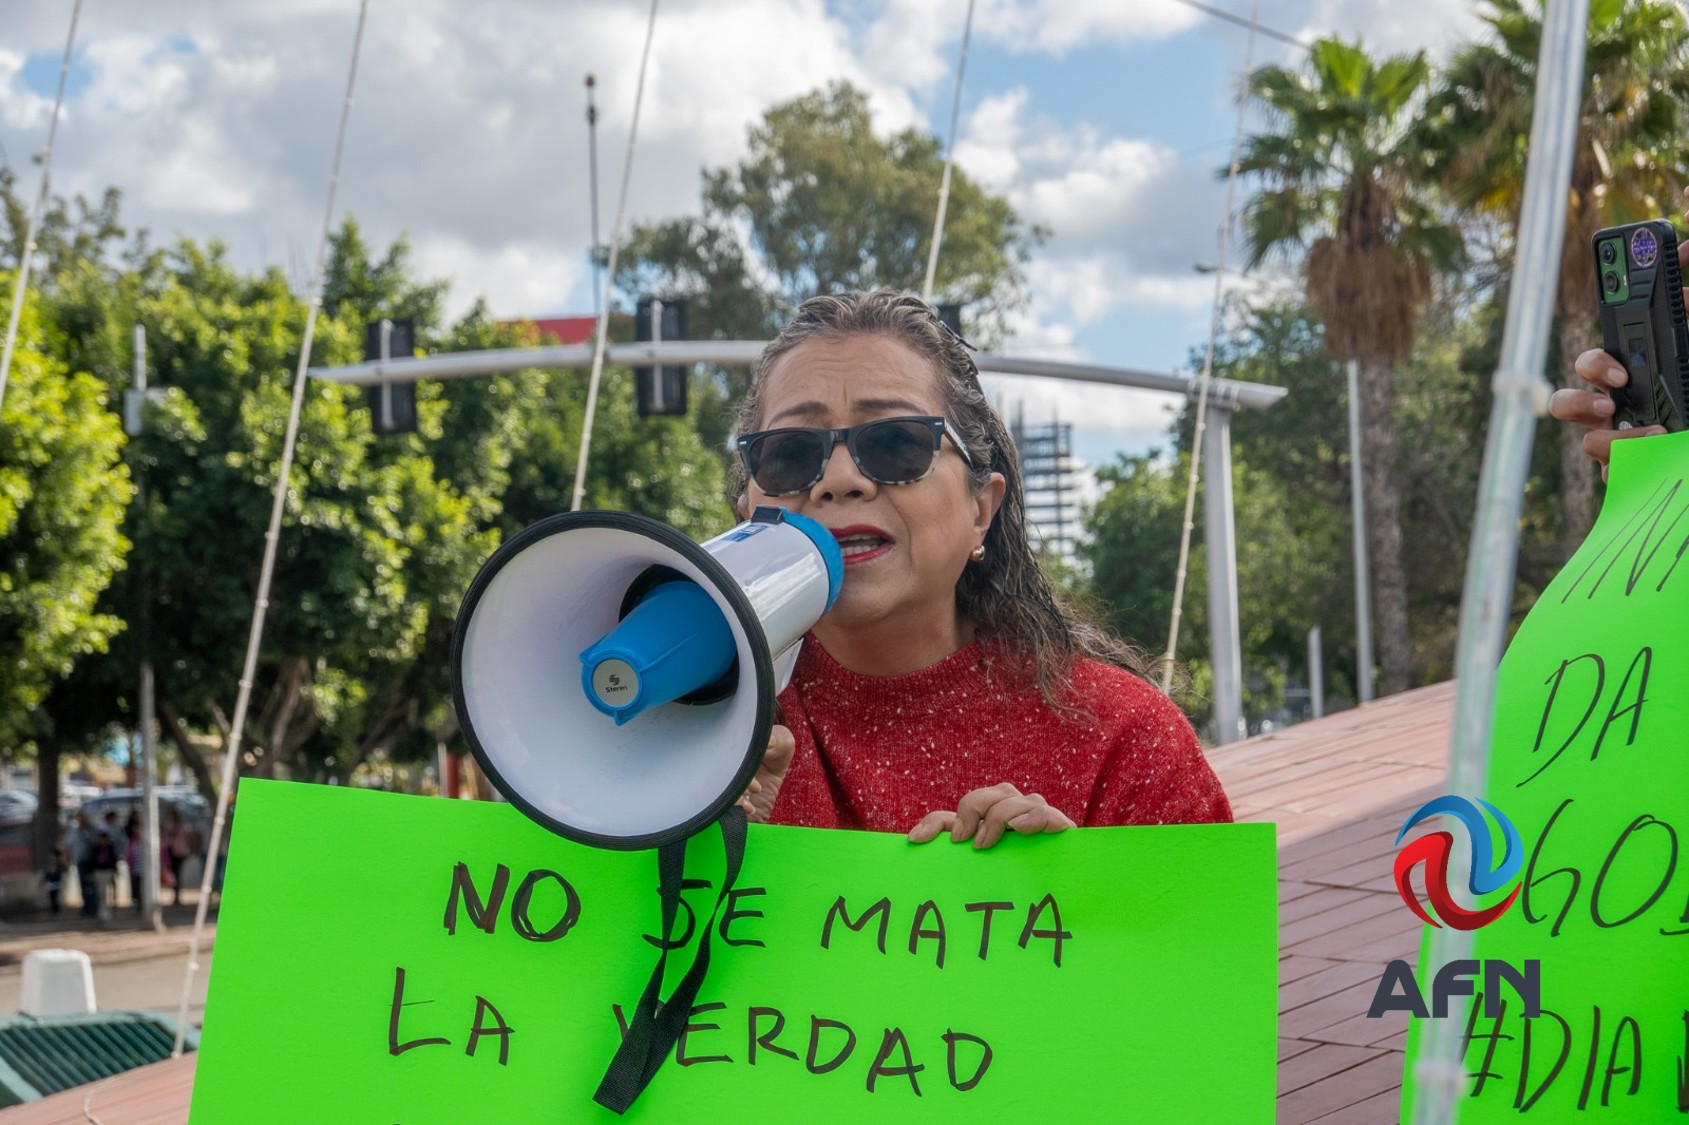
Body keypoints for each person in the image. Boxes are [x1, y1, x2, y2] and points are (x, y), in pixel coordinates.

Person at [733, 291, 1232, 846]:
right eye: (790, 452)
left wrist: (1077, 897)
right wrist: (710, 839)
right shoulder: (676, 721)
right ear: (747, 510)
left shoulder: (1127, 741)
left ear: (981, 509)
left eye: (896, 443)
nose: (839, 478)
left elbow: (1198, 929)